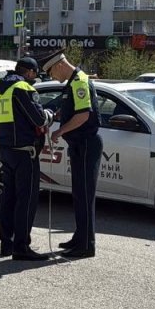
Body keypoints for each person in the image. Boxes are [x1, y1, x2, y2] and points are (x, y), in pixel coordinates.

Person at [0, 57, 54, 260]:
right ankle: (22, 247)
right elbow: (38, 118)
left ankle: (6, 244)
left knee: (8, 198)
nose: (35, 78)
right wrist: (50, 114)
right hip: (26, 151)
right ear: (29, 72)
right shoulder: (22, 88)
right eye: (35, 74)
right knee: (26, 200)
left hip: (6, 149)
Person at [40, 49, 100, 259]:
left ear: (58, 65)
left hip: (85, 144)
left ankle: (86, 245)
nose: (52, 78)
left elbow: (83, 115)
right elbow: (72, 109)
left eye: (50, 73)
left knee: (84, 195)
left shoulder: (80, 82)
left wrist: (60, 130)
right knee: (78, 194)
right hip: (78, 145)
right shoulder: (72, 83)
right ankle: (79, 237)